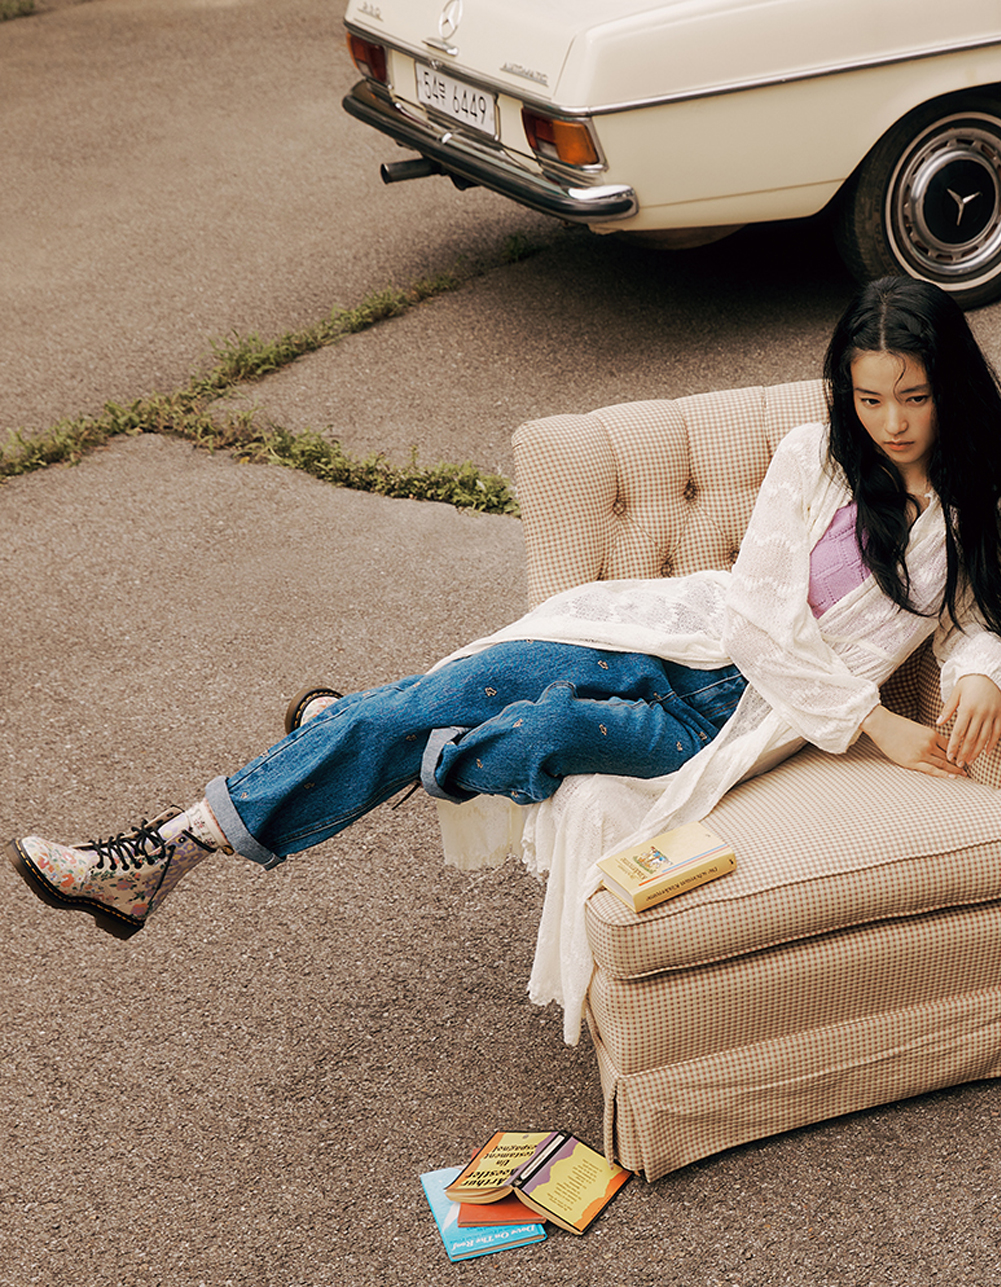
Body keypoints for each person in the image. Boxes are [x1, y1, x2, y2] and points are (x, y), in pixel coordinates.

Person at [10, 277, 1001, 997]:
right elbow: (752, 611)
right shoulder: (811, 454)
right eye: (869, 397)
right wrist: (873, 721)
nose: (890, 421)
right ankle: (160, 854)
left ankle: (355, 731)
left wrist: (977, 671)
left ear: (948, 385)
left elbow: (971, 618)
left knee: (537, 735)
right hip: (671, 644)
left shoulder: (975, 504)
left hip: (722, 724)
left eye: (912, 396)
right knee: (429, 701)